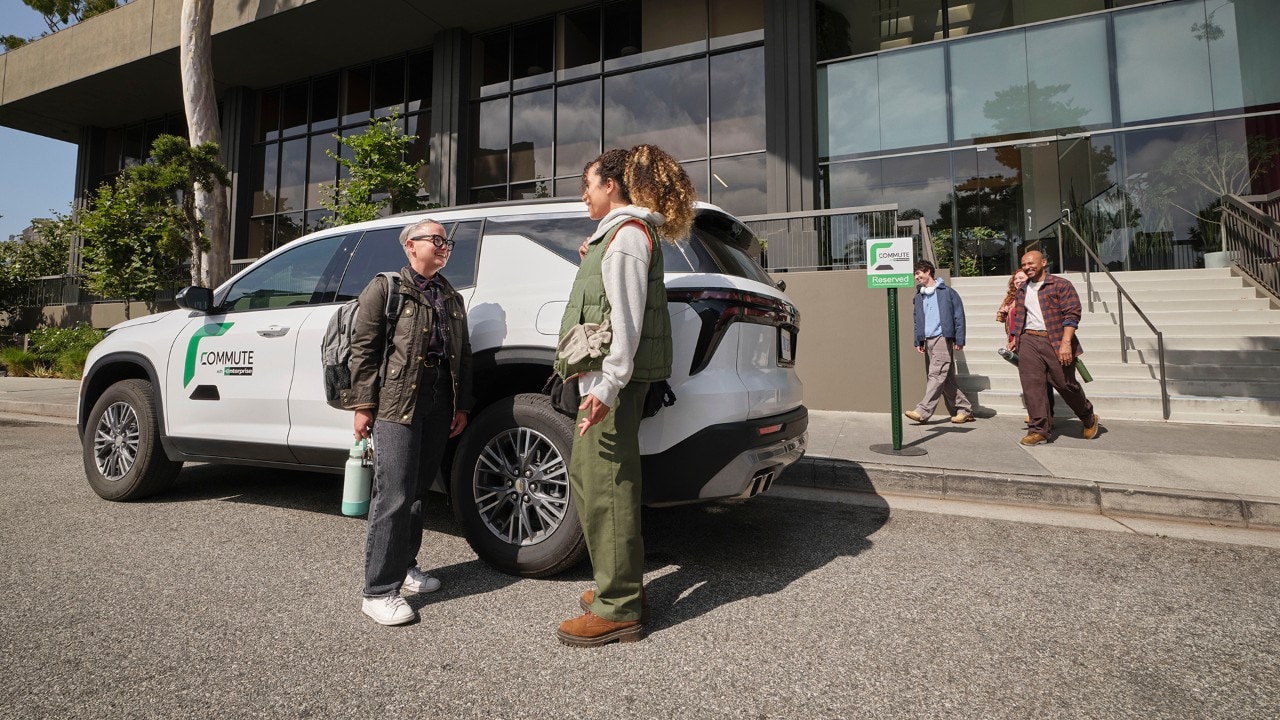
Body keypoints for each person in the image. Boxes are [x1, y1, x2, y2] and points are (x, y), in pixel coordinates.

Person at [552, 144, 693, 647]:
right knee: (595, 481)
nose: (583, 195)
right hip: (604, 384)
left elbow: (626, 322)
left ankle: (619, 609)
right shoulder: (618, 236)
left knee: (607, 488)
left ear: (611, 185)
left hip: (609, 387)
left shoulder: (628, 236)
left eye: (587, 185)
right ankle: (621, 588)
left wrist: (607, 387)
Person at [345, 219, 474, 626]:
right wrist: (363, 404)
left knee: (418, 489)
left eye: (446, 241)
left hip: (439, 398)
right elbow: (363, 349)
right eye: (435, 239)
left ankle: (406, 566)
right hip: (398, 399)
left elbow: (464, 355)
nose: (444, 246)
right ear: (409, 247)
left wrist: (461, 405)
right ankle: (379, 590)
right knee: (394, 492)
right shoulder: (386, 288)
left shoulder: (450, 295)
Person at [1006, 250, 1099, 446]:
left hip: (1056, 340)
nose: (1027, 267)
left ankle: (1088, 416)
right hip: (1029, 340)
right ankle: (1039, 430)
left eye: (1031, 263)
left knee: (1065, 384)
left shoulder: (1061, 285)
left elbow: (1072, 315)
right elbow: (1021, 316)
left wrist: (1066, 343)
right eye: (1024, 264)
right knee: (1032, 386)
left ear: (1044, 263)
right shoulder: (1022, 289)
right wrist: (1016, 338)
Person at [905, 259, 974, 424]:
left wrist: (959, 338)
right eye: (915, 274)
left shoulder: (947, 292)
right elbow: (917, 320)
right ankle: (964, 409)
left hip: (942, 338)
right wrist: (918, 340)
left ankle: (923, 410)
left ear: (928, 271)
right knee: (947, 378)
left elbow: (959, 316)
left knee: (935, 375)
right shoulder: (919, 295)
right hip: (928, 340)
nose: (916, 277)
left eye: (918, 273)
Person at [997, 269, 1055, 422]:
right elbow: (1005, 319)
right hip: (1017, 343)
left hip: (1028, 340)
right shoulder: (1011, 298)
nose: (1017, 281)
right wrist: (1004, 313)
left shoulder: (1031, 295)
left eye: (1021, 278)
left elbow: (1026, 321)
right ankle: (1039, 414)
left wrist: (1015, 338)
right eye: (1015, 279)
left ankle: (1046, 415)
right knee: (1031, 380)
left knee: (1039, 380)